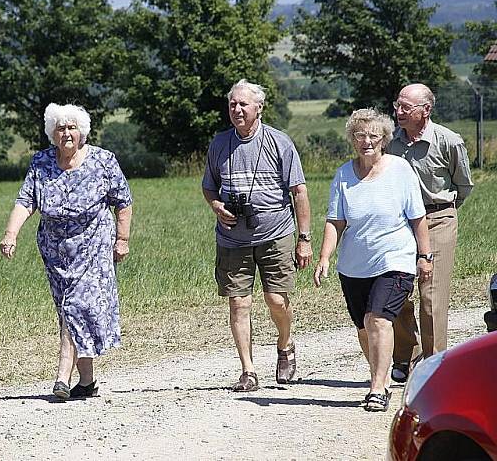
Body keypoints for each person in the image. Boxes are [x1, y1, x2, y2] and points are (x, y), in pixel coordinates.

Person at [0, 103, 133, 399]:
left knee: (76, 305)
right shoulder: (41, 162)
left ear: (82, 131)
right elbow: (26, 201)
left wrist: (122, 239)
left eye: (72, 127)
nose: (67, 133)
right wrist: (11, 234)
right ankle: (86, 381)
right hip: (56, 250)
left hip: (94, 245)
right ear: (52, 133)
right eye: (61, 128)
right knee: (69, 310)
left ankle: (62, 377)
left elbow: (123, 200)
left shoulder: (103, 161)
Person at [313, 108, 432, 412]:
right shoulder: (343, 175)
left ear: (384, 139)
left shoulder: (400, 170)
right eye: (360, 135)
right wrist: (325, 256)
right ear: (352, 139)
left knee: (377, 319)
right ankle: (379, 376)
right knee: (364, 327)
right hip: (354, 265)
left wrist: (424, 256)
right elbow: (335, 221)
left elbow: (417, 218)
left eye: (373, 135)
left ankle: (378, 388)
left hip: (394, 258)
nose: (367, 141)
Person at [202, 79, 312, 392]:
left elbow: (299, 192)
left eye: (243, 104)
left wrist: (304, 239)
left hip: (276, 233)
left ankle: (286, 343)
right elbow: (209, 186)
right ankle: (248, 371)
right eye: (232, 104)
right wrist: (216, 206)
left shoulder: (280, 142)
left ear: (259, 108)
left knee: (276, 299)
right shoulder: (220, 143)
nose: (237, 109)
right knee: (238, 302)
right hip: (232, 237)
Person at [387, 83, 474, 382]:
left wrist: (443, 212)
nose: (398, 112)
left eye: (405, 108)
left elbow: (463, 186)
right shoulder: (390, 142)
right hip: (399, 223)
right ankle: (405, 358)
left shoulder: (448, 141)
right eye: (397, 105)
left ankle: (434, 366)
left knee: (431, 296)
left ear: (425, 111)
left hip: (437, 218)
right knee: (395, 289)